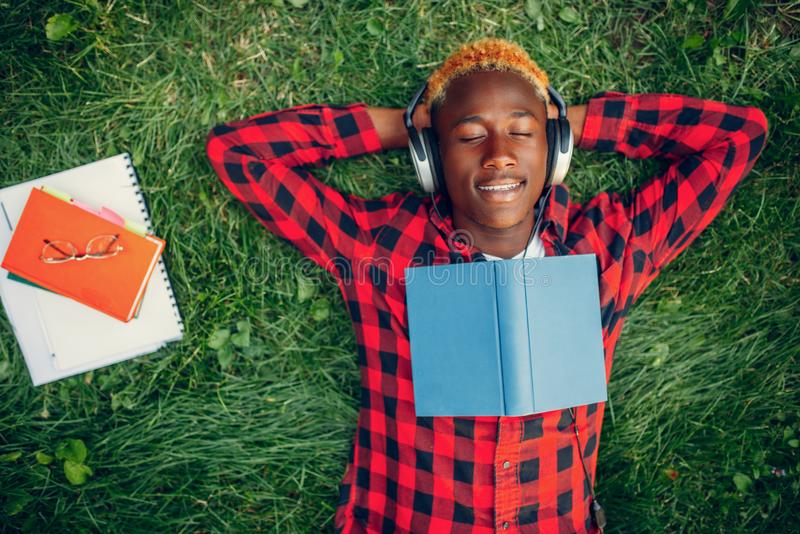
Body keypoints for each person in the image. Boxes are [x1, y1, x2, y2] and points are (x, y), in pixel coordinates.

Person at [206, 38, 768, 533]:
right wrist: (405, 126)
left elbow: (737, 138)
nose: (499, 154)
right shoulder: (379, 248)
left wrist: (577, 123)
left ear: (554, 149)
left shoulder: (605, 249)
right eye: (469, 135)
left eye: (522, 132)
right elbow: (239, 153)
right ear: (430, 158)